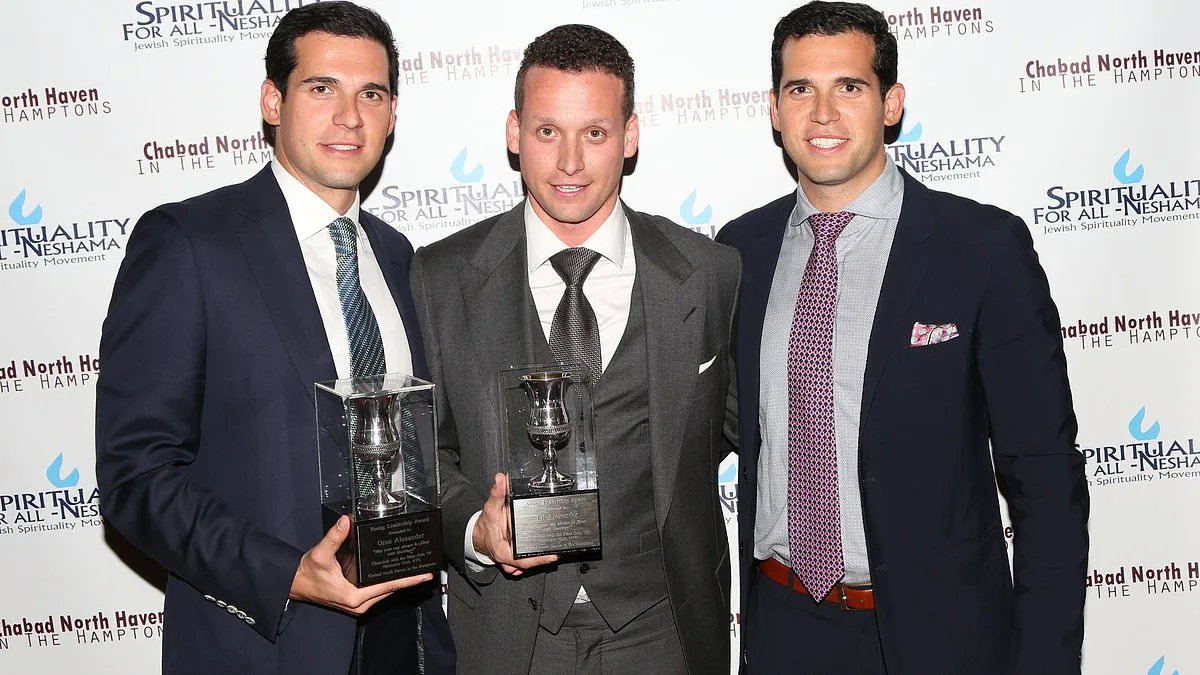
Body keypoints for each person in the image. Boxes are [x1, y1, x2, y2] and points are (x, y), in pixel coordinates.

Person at [716, 2, 1089, 673]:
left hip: (940, 638)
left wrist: (1044, 660)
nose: (823, 114)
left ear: (891, 103)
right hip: (781, 631)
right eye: (800, 89)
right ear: (774, 109)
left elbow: (1045, 476)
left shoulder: (981, 250)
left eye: (848, 87)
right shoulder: (739, 252)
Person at [94, 3, 453, 673]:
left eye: (371, 94)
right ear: (272, 101)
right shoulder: (189, 244)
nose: (349, 116)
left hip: (405, 642)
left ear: (392, 115)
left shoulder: (399, 257)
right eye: (322, 88)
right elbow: (136, 477)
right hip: (268, 644)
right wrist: (288, 573)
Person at [409, 23, 740, 675]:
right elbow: (424, 453)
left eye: (594, 132)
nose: (569, 162)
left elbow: (735, 429)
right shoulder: (441, 277)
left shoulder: (707, 270)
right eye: (547, 131)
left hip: (663, 629)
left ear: (630, 135)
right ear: (514, 132)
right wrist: (474, 527)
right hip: (508, 634)